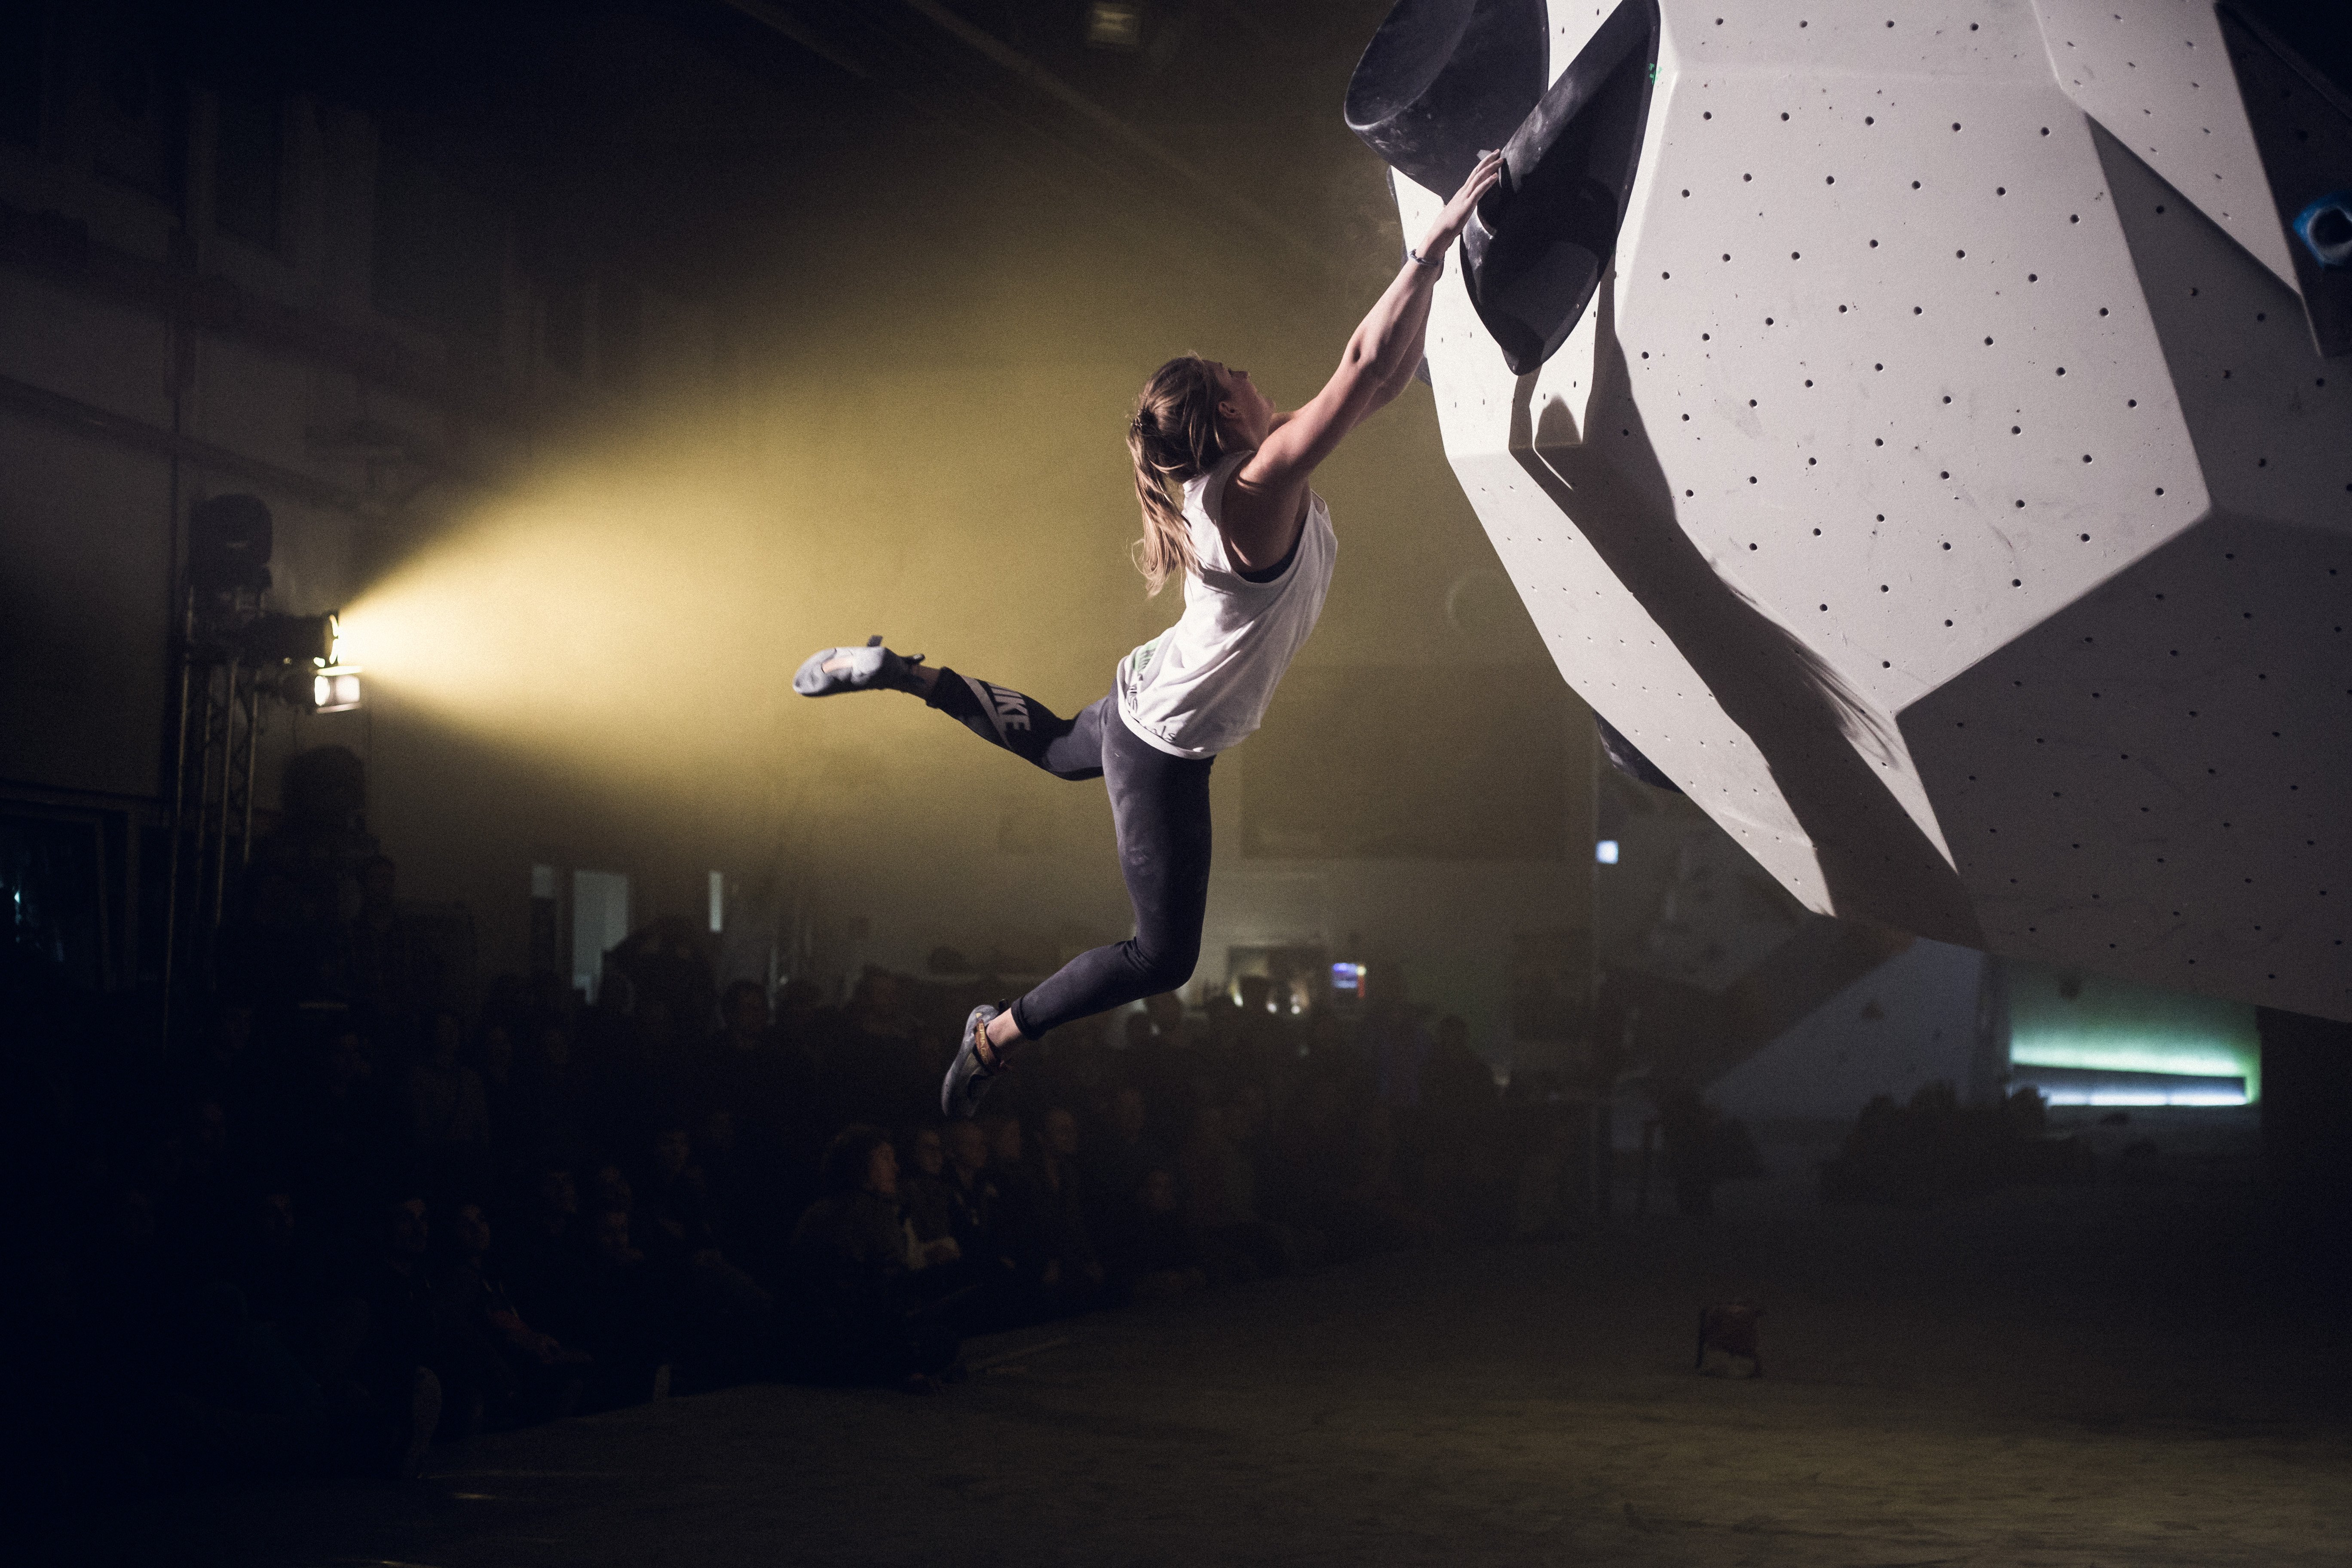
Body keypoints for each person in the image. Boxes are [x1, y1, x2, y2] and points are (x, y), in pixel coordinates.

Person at [793, 150, 1507, 1118]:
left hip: (1148, 699)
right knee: (1160, 958)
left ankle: (901, 674)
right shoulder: (1253, 492)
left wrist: (1446, 266)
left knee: (1054, 750)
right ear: (1223, 410)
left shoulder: (1252, 477)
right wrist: (1433, 242)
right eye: (1236, 374)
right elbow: (1364, 365)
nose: (1256, 376)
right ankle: (994, 1036)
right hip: (1163, 744)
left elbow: (1377, 383)